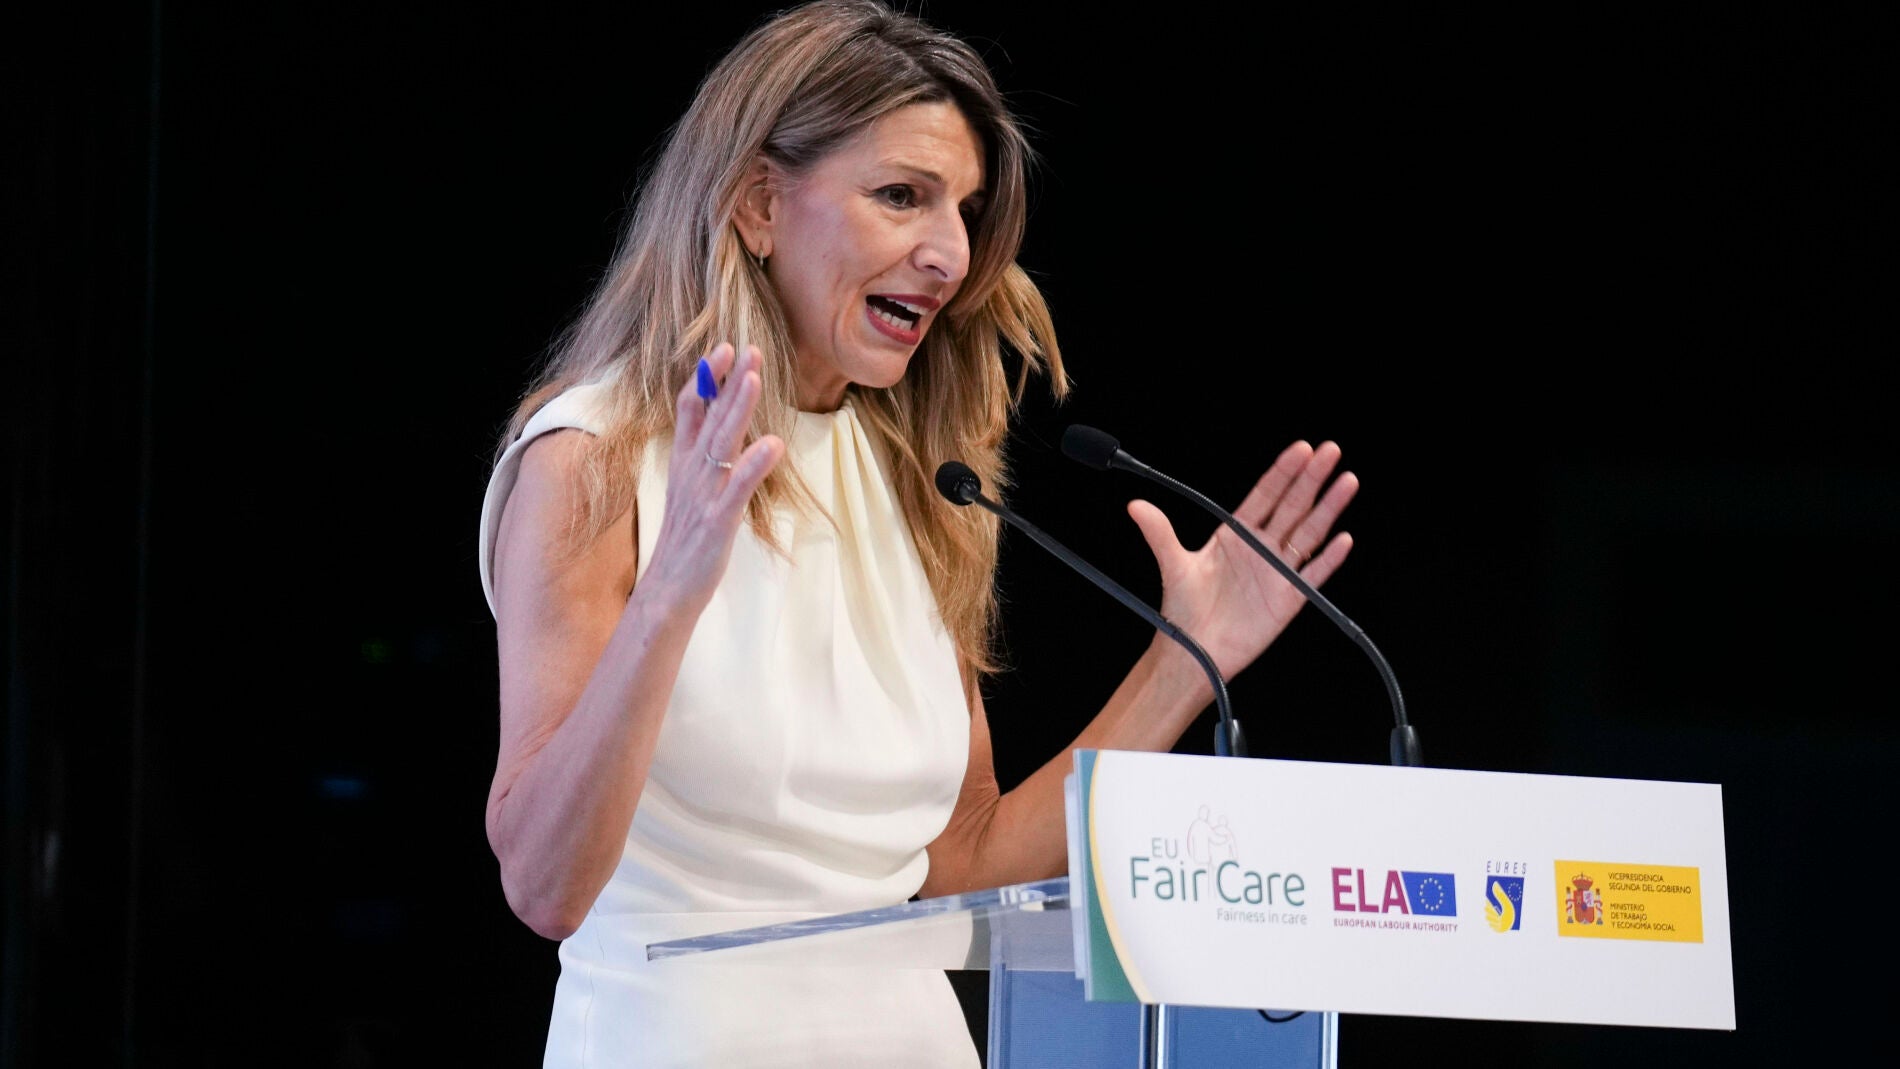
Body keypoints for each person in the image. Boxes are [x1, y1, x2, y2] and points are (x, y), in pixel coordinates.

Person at [476, 2, 1358, 1064]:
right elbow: (544, 884)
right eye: (902, 196)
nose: (950, 253)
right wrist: (669, 594)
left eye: (965, 210)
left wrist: (1186, 661)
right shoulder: (594, 457)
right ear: (758, 203)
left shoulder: (919, 482)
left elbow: (960, 864)